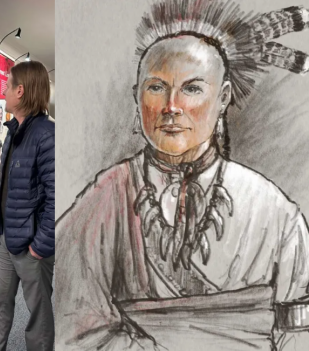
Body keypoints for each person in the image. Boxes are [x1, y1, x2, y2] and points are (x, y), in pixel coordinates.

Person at [55, 1, 309, 349]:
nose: (171, 107)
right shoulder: (103, 200)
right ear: (137, 97)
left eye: (192, 88)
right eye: (157, 87)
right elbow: (77, 327)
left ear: (223, 98)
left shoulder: (276, 212)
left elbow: (299, 334)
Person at [0, 60, 55, 351]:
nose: (3, 92)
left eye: (7, 85)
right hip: (4, 240)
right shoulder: (14, 130)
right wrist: (0, 231)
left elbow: (57, 197)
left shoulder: (47, 135)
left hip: (31, 247)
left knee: (39, 317)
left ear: (21, 91)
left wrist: (40, 245)